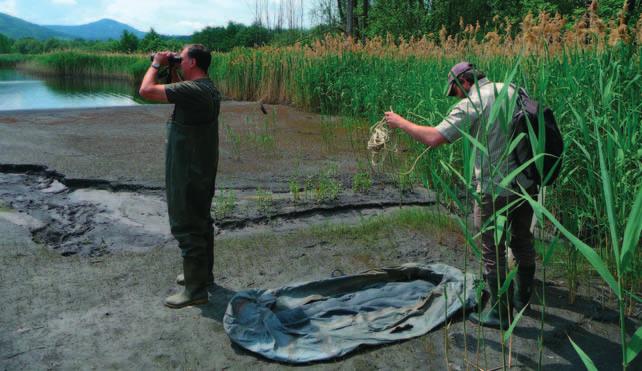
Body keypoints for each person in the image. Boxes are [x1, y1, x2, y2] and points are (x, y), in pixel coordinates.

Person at [384, 62, 537, 329]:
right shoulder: (513, 89)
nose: (456, 96)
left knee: (492, 248)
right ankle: (522, 301)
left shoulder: (474, 102)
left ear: (465, 82)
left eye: (455, 90)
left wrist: (399, 122)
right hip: (527, 182)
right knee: (522, 239)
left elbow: (434, 137)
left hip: (495, 188)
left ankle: (500, 314)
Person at [139, 44, 220, 309]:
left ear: (193, 63)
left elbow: (146, 91)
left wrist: (156, 65)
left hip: (187, 169)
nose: (178, 59)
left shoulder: (194, 90)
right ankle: (201, 276)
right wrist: (173, 68)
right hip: (202, 167)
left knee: (186, 224)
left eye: (181, 58)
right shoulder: (207, 88)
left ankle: (195, 291)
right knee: (201, 221)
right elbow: (177, 94)